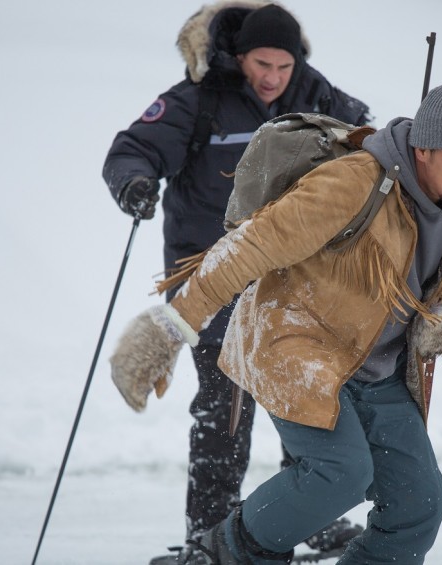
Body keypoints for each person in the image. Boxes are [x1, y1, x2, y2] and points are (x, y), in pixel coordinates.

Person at [110, 82, 442, 564]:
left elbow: (411, 271)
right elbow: (249, 246)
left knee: (419, 504)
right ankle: (218, 556)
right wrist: (170, 329)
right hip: (296, 342)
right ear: (423, 148)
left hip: (376, 365)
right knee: (340, 473)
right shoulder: (355, 181)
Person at [101, 2, 371, 561]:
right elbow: (134, 148)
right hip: (212, 278)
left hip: (291, 283)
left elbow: (370, 146)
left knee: (304, 401)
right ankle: (211, 539)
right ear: (238, 56)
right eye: (260, 64)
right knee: (225, 414)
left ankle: (306, 521)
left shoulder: (316, 98)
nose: (271, 78)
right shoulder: (198, 100)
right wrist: (134, 183)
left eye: (283, 66)